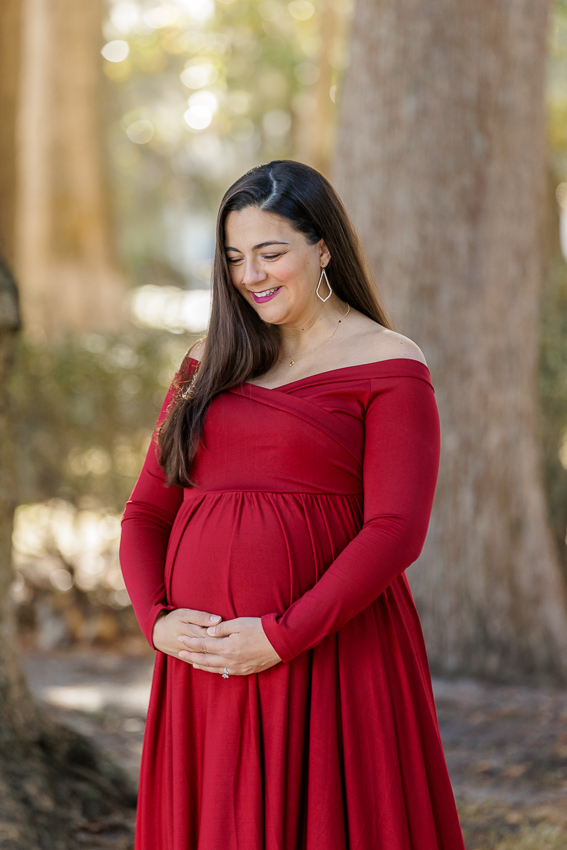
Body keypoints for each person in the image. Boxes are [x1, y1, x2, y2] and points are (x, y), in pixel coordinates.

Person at [119, 159, 465, 849]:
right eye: (235, 258)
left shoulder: (389, 363)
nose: (251, 275)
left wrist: (281, 635)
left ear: (323, 246)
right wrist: (154, 620)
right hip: (204, 665)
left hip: (329, 655)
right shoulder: (206, 363)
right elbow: (145, 514)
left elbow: (395, 530)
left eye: (271, 253)